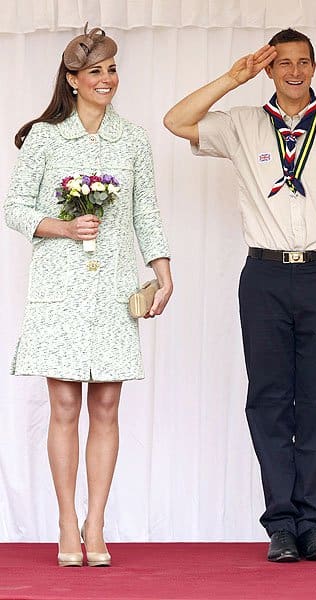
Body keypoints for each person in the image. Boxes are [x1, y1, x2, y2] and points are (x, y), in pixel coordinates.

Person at [164, 28, 316, 562]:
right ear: (268, 69)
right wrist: (231, 78)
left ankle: (312, 523)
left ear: (315, 67)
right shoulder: (241, 125)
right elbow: (176, 121)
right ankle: (280, 524)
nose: (294, 71)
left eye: (303, 62)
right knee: (268, 400)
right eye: (283, 63)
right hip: (263, 277)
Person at [4, 24, 172, 567]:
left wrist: (162, 270)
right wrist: (58, 225)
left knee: (107, 404)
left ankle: (95, 522)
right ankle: (63, 521)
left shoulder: (134, 139)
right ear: (72, 80)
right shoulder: (45, 139)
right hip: (59, 289)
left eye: (112, 69)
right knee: (63, 405)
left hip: (115, 288)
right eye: (95, 71)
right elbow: (13, 208)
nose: (106, 80)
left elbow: (146, 211)